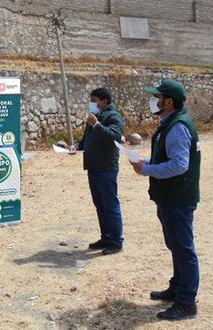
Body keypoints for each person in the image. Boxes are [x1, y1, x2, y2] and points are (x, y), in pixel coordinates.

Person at [131, 79, 200, 320]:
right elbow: (166, 157)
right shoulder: (170, 123)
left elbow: (179, 165)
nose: (154, 101)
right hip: (171, 196)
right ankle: (177, 287)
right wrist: (145, 162)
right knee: (176, 246)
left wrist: (146, 170)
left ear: (168, 101)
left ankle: (186, 302)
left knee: (183, 249)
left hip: (178, 197)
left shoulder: (178, 126)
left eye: (158, 97)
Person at [69, 87, 124, 255]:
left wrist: (98, 125)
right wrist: (76, 146)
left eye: (94, 100)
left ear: (104, 101)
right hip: (93, 167)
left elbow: (114, 138)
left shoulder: (113, 117)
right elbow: (87, 140)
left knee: (110, 205)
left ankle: (115, 241)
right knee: (100, 204)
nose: (91, 104)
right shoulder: (94, 118)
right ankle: (106, 237)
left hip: (106, 167)